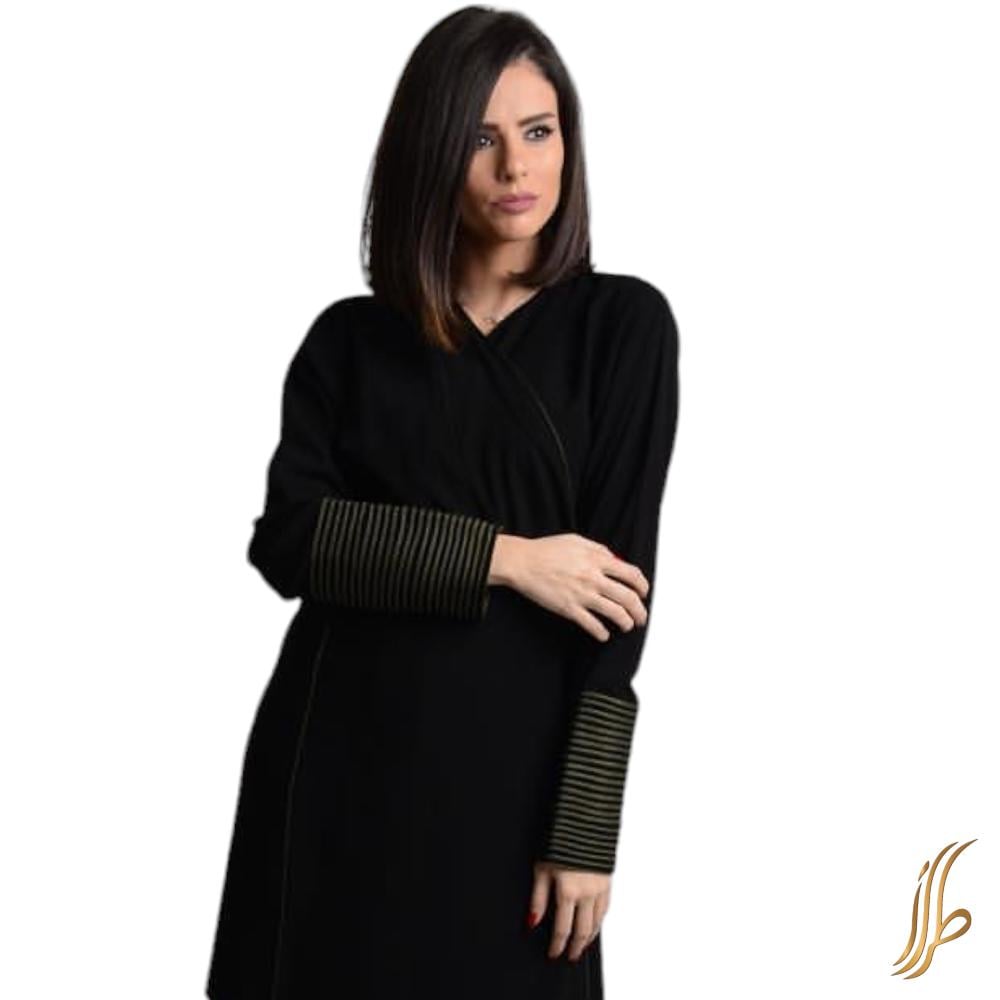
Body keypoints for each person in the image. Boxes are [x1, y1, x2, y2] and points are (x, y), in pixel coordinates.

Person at [205, 7, 680, 999]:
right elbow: (290, 541)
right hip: (340, 763)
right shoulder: (350, 341)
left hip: (517, 776)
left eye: (538, 130)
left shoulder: (622, 326)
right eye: (479, 136)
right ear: (429, 150)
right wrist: (509, 559)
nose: (516, 165)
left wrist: (586, 829)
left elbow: (622, 601)